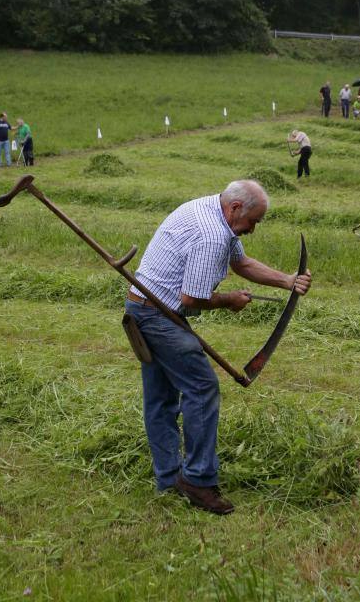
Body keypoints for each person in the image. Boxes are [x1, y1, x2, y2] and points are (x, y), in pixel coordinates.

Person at [125, 180, 311, 514]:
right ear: (237, 208)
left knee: (161, 397)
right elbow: (191, 298)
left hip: (144, 307)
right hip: (155, 316)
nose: (253, 229)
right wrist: (230, 301)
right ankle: (197, 480)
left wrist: (287, 281)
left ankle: (169, 478)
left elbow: (241, 263)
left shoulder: (213, 209)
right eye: (253, 221)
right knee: (201, 386)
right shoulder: (212, 234)